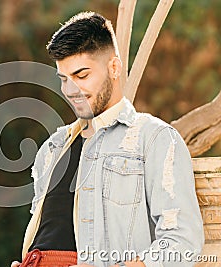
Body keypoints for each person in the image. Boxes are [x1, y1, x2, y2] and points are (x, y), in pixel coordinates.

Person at [11, 11, 204, 267]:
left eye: (82, 76)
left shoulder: (154, 138)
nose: (71, 91)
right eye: (64, 80)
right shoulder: (52, 149)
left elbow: (182, 241)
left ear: (113, 67)